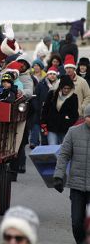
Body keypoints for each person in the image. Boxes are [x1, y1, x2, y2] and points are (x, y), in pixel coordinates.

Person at [53, 103, 90, 244]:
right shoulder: (73, 132)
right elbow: (64, 155)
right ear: (85, 117)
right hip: (77, 186)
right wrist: (58, 176)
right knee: (76, 223)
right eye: (89, 117)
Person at [41, 75, 79, 145]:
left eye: (68, 88)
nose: (66, 90)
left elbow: (75, 114)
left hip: (65, 129)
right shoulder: (52, 94)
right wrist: (43, 123)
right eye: (65, 88)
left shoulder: (74, 97)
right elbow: (45, 110)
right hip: (51, 127)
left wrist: (68, 122)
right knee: (52, 148)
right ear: (61, 87)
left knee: (63, 150)